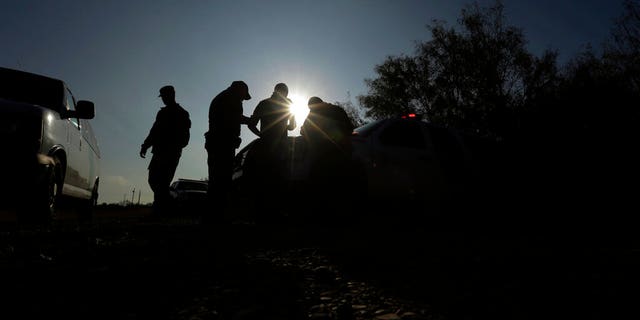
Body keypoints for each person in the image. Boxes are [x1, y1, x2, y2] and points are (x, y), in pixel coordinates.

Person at [300, 96, 356, 222]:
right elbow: (350, 128)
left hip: (322, 155)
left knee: (322, 187)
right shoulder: (337, 110)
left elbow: (304, 132)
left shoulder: (312, 116)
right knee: (340, 188)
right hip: (340, 153)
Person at [247, 83, 296, 221]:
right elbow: (292, 126)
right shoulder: (289, 104)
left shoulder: (263, 103)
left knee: (264, 178)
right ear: (286, 92)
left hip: (265, 146)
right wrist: (284, 127)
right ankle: (277, 212)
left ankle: (261, 213)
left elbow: (251, 124)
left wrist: (261, 134)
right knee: (280, 178)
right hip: (281, 147)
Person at [140, 85, 191, 217]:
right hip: (158, 152)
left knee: (163, 182)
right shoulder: (162, 113)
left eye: (164, 96)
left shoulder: (182, 113)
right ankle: (168, 207)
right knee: (153, 180)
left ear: (172, 95)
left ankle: (160, 211)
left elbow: (185, 137)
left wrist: (175, 146)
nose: (163, 99)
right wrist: (145, 145)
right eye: (162, 97)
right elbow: (154, 131)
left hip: (172, 153)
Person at [205, 80, 252, 222]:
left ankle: (213, 216)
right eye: (244, 96)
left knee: (217, 179)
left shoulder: (224, 97)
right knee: (221, 179)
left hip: (219, 142)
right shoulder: (230, 99)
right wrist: (249, 121)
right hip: (222, 143)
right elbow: (233, 118)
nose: (244, 99)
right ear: (240, 90)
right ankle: (216, 217)